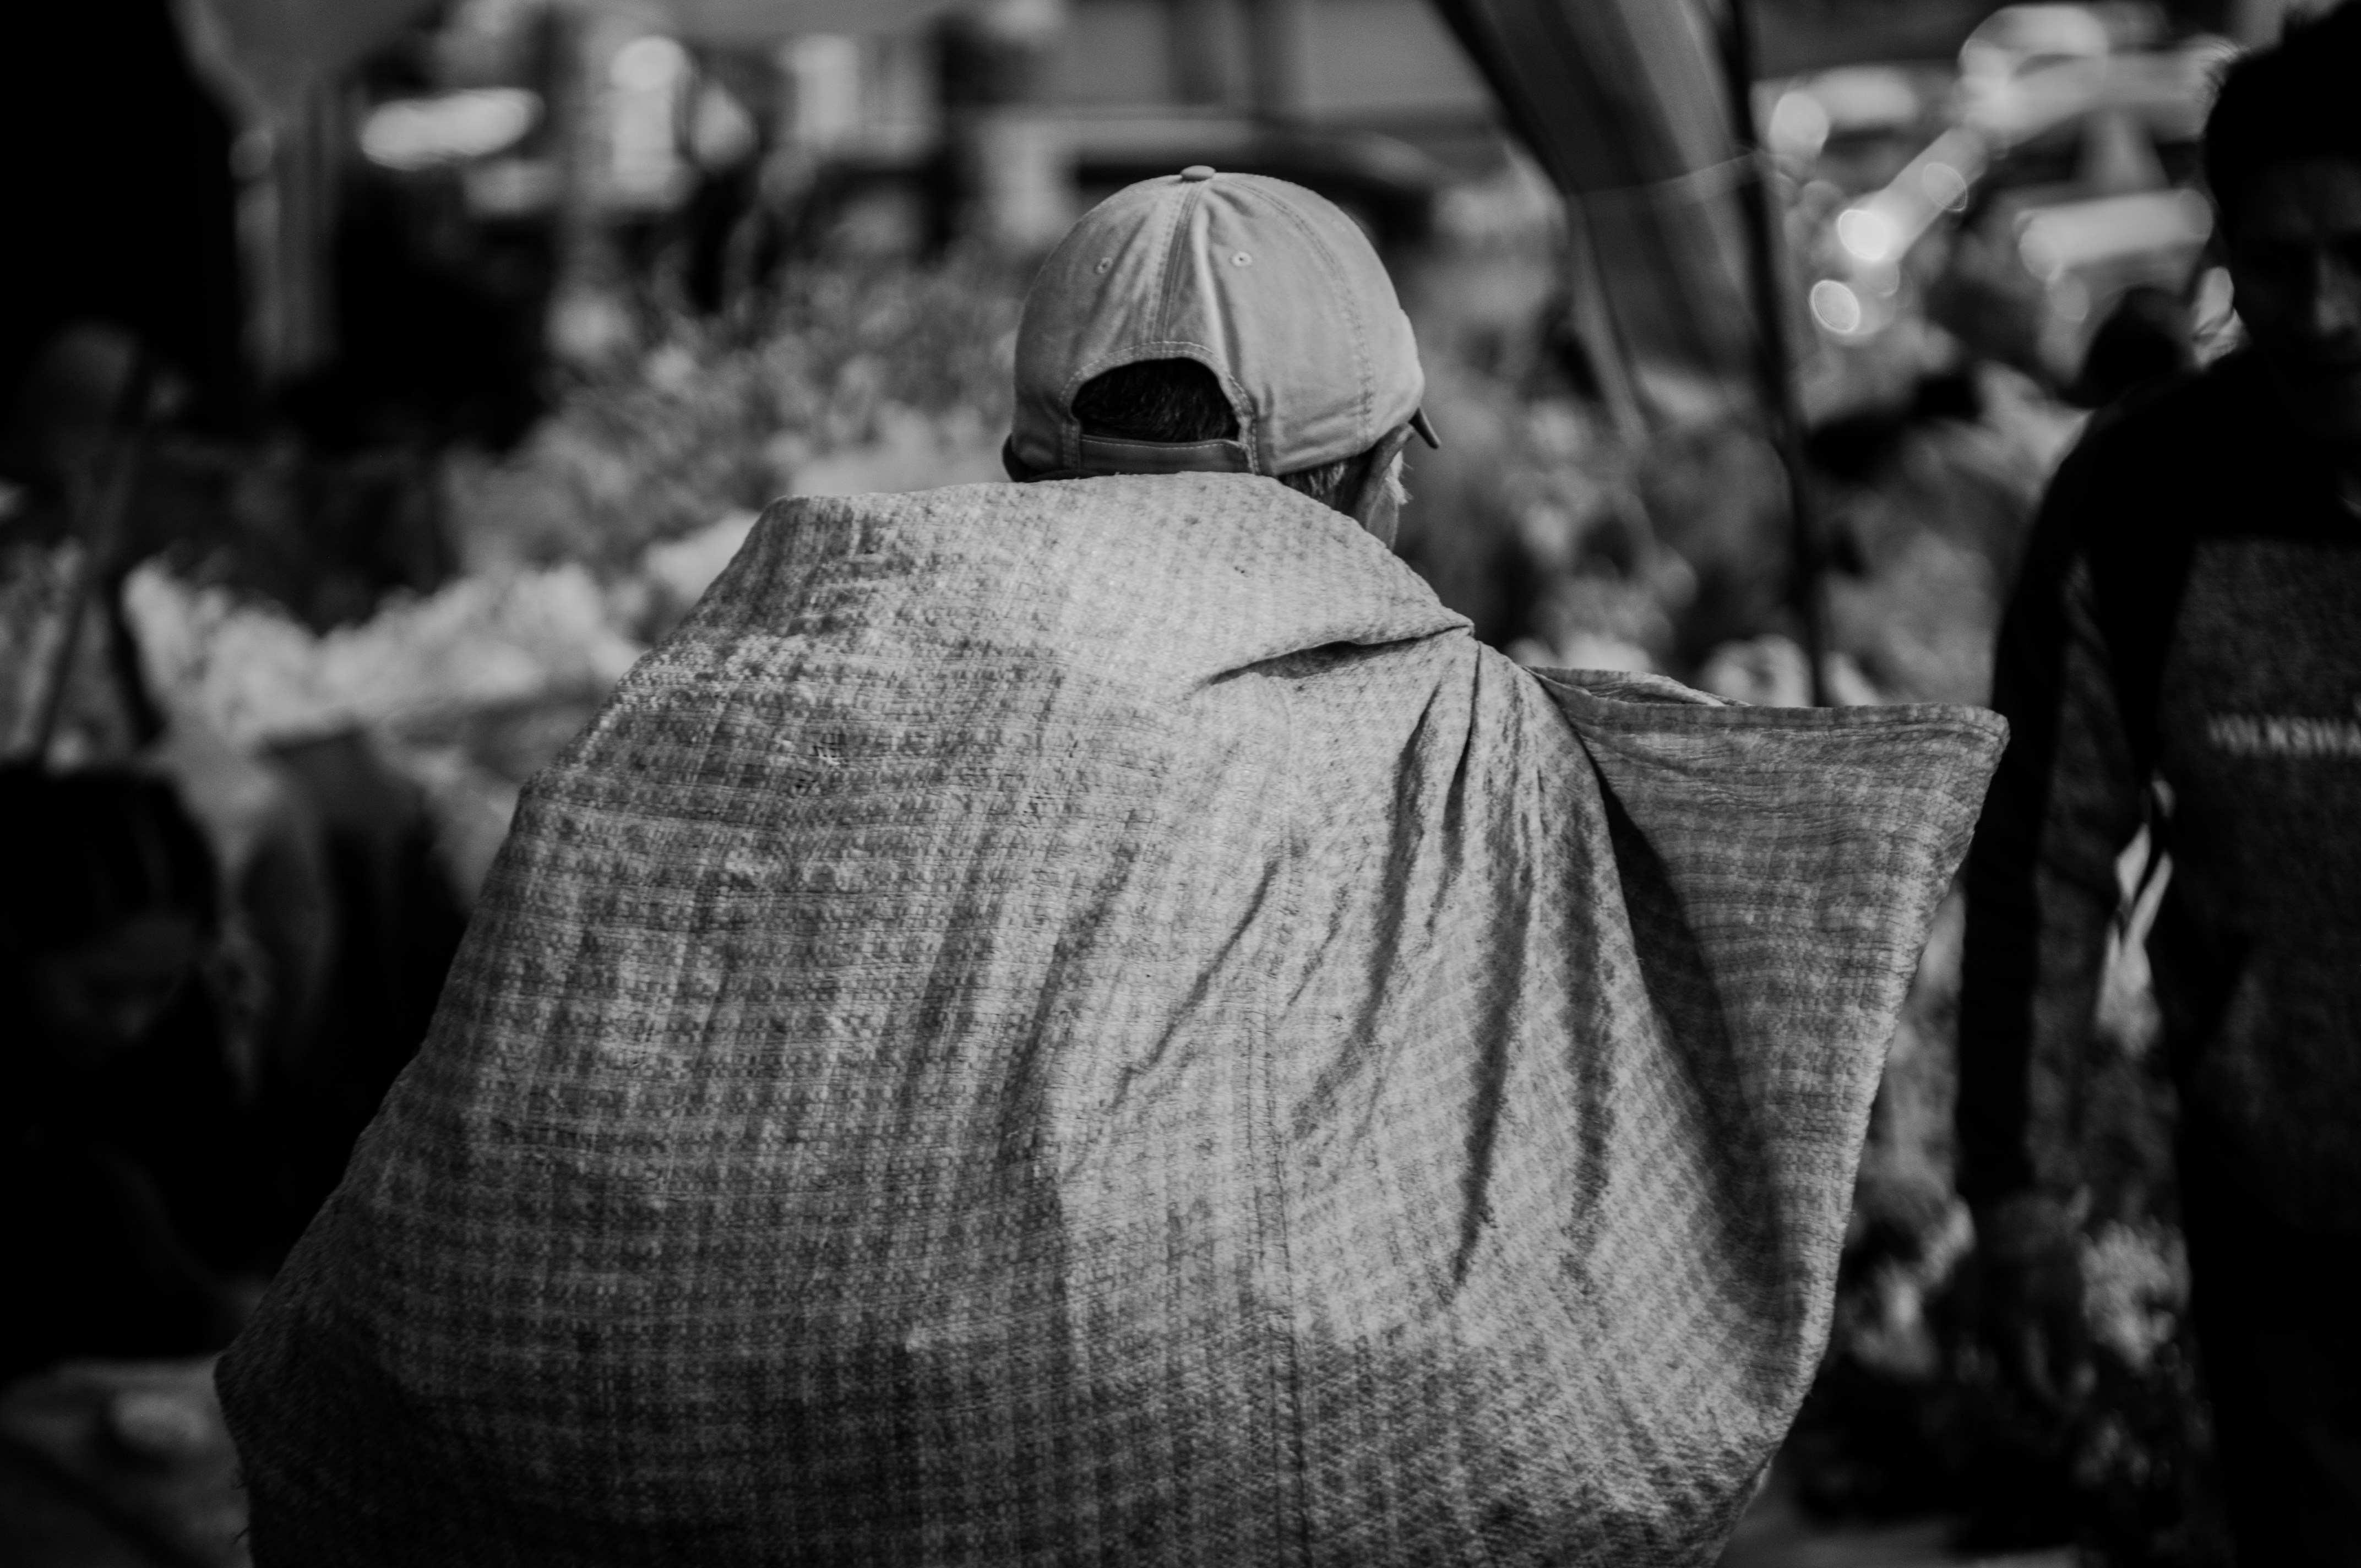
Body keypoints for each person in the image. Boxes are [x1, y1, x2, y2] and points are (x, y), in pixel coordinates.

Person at [218, 168, 2003, 1566]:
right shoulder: (1463, 735)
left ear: (1019, 465)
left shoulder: (746, 669)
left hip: (597, 1453)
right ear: (1376, 477)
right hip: (1223, 1475)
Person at [1959, 7, 2361, 1561]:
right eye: (2276, 264)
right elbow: (2046, 857)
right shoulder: (2144, 495)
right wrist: (2018, 1196)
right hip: (2286, 1240)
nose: (2324, 313)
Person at [0, 765, 263, 1380]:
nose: (132, 1024)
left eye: (159, 987)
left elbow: (233, 1189)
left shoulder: (190, 1022)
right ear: (11, 940)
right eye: (100, 991)